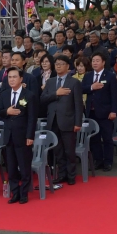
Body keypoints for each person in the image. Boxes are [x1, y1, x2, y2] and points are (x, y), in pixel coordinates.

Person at [0, 68, 37, 204]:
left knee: (24, 167)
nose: (12, 79)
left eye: (14, 77)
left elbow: (32, 118)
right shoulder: (4, 94)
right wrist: (7, 111)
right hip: (8, 136)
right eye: (9, 77)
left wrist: (30, 136)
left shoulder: (29, 95)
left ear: (21, 79)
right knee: (11, 168)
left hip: (23, 135)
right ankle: (15, 192)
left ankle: (24, 193)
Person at [41, 56, 84, 185]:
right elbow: (42, 99)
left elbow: (78, 105)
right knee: (58, 151)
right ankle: (61, 174)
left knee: (69, 150)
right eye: (56, 64)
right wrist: (56, 94)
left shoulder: (74, 82)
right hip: (53, 120)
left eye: (61, 64)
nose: (58, 66)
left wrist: (78, 123)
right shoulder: (50, 81)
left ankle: (71, 175)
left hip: (68, 121)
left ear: (68, 67)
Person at [82, 53, 117, 172]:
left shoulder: (110, 76)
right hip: (91, 112)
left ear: (103, 62)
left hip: (105, 112)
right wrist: (92, 87)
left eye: (97, 60)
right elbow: (82, 89)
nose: (95, 63)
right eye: (93, 61)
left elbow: (114, 96)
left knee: (107, 138)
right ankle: (98, 161)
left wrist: (113, 111)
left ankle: (108, 162)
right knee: (94, 139)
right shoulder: (88, 75)